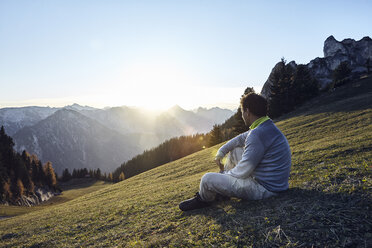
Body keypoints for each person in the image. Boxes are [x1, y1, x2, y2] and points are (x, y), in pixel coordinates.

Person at [179, 93, 291, 211]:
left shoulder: (257, 134)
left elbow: (242, 171)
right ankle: (223, 192)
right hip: (277, 185)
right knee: (235, 149)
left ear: (247, 112)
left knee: (207, 179)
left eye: (242, 112)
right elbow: (239, 140)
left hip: (265, 189)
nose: (242, 115)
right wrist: (221, 152)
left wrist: (222, 176)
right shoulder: (265, 127)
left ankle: (204, 199)